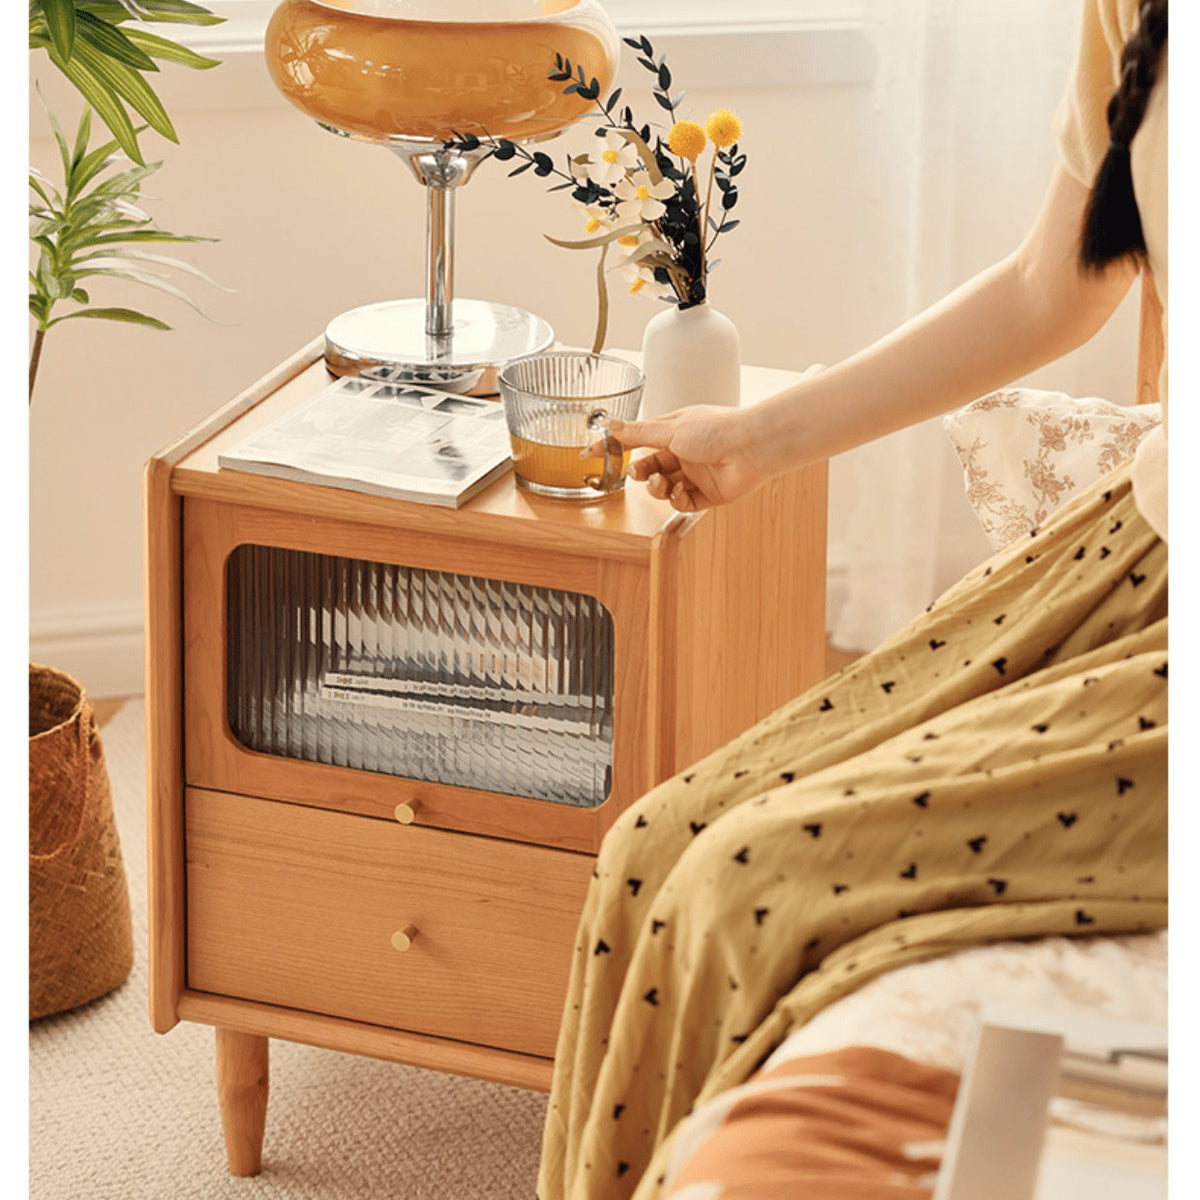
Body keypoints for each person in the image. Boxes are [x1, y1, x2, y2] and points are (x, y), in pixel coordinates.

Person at [536, 2, 1168, 1199]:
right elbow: (1056, 281)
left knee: (744, 888)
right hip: (1140, 557)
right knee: (651, 847)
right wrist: (757, 439)